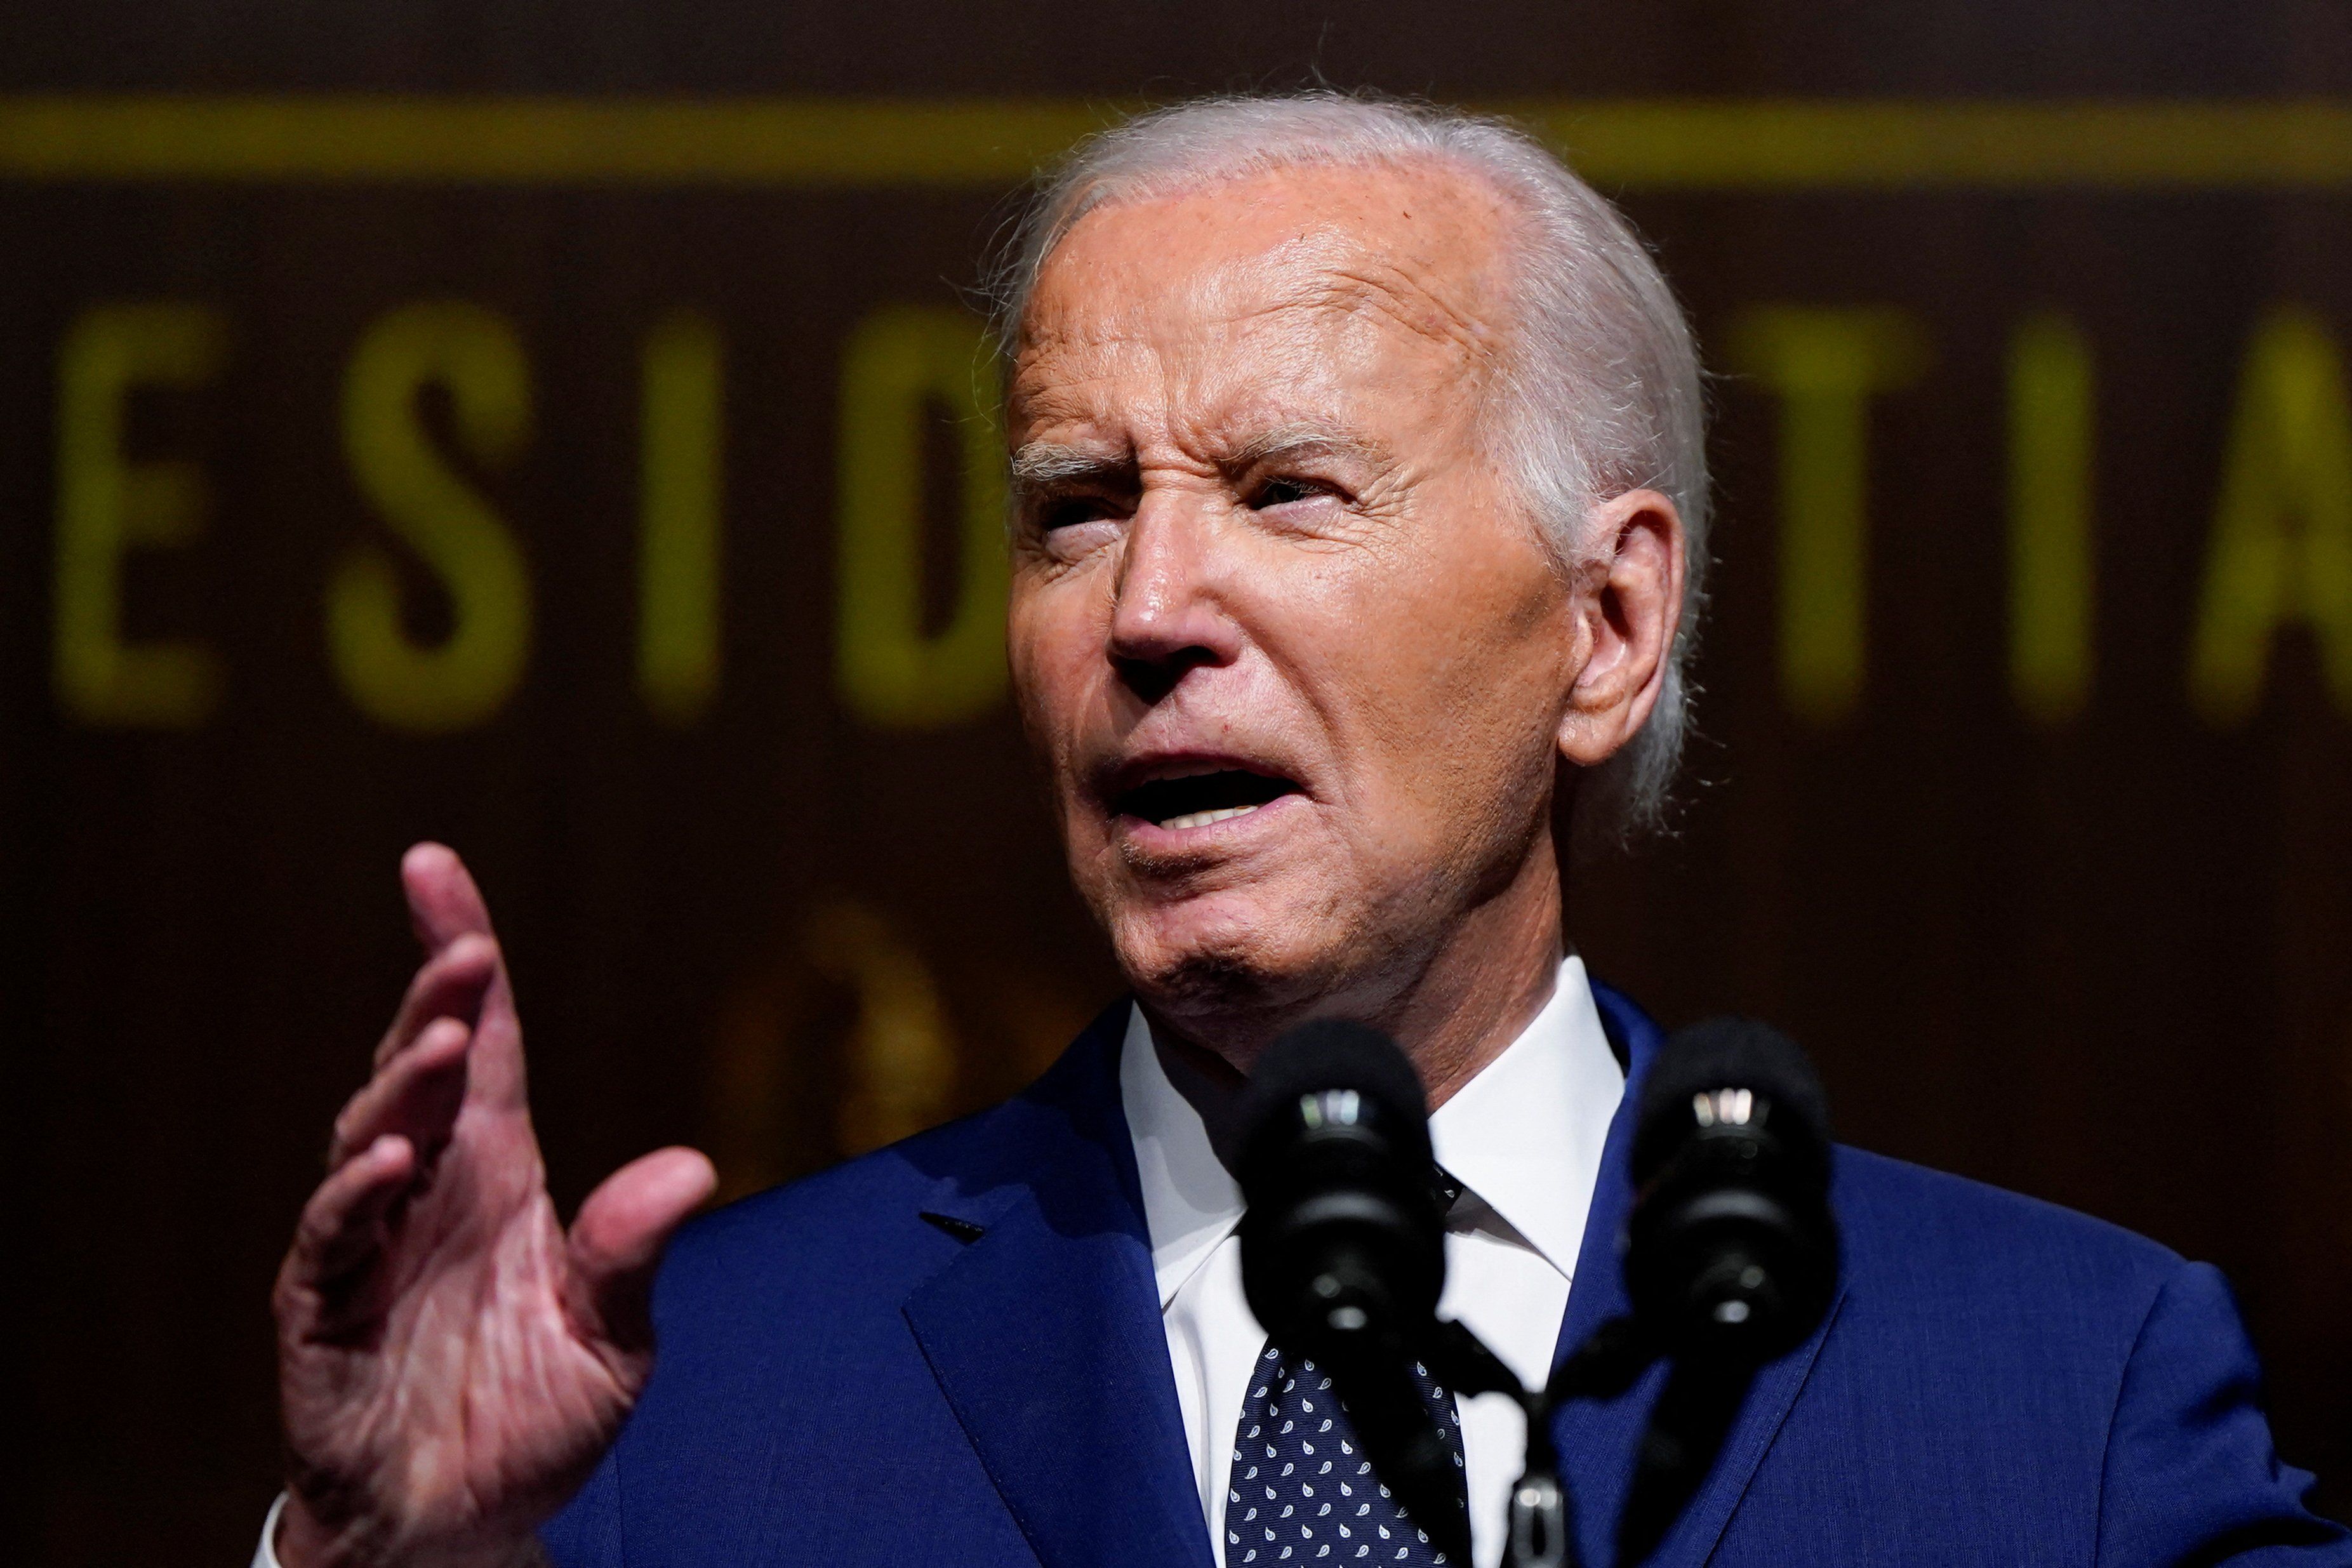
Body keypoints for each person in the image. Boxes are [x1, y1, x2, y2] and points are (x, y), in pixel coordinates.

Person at [260, 93, 2347, 1568]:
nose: (1148, 612)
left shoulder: (2065, 1397)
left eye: (1284, 492)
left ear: (1606, 625)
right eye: (1076, 509)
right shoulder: (671, 1415)